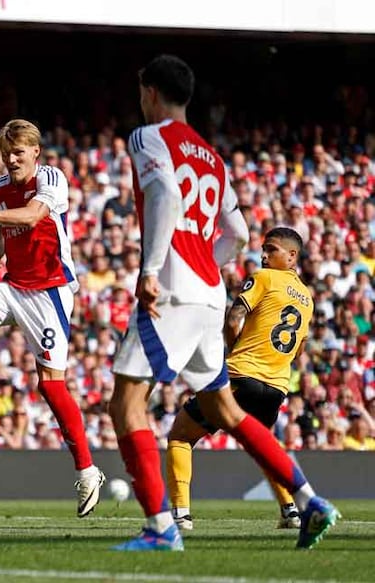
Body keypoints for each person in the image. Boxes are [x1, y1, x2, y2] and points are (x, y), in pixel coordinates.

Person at [109, 54, 337, 551]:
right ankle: (310, 498)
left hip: (172, 290)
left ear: (149, 92)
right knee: (227, 411)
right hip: (210, 293)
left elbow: (166, 194)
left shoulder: (148, 137)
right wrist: (205, 264)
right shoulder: (212, 157)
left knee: (126, 404)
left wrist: (152, 270)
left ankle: (160, 528)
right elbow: (237, 233)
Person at [0, 119, 105, 518]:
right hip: (15, 287)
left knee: (50, 385)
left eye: (19, 152)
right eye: (6, 153)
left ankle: (87, 471)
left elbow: (30, 217)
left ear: (35, 153)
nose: (12, 159)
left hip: (51, 292)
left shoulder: (52, 178)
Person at [166, 227, 312, 531]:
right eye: (264, 249)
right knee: (264, 448)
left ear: (292, 255)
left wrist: (236, 352)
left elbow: (233, 319)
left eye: (271, 249)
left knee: (181, 434)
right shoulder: (307, 300)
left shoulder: (263, 277)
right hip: (276, 386)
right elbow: (298, 350)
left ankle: (180, 515)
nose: (264, 255)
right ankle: (291, 511)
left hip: (241, 374)